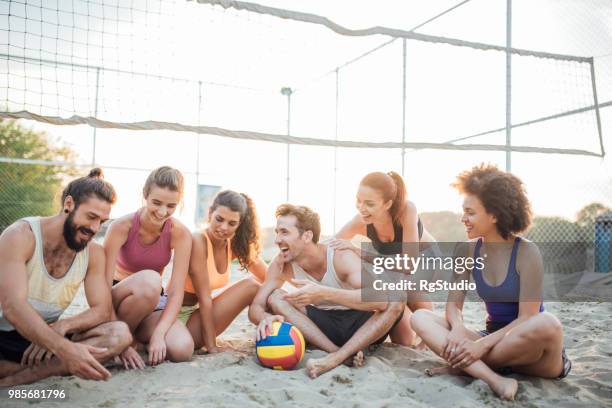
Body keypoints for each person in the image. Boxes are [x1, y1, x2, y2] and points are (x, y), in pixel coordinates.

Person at [411, 164, 572, 401]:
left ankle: (464, 366)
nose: (463, 218)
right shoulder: (465, 250)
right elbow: (454, 305)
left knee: (548, 322)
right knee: (420, 318)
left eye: (470, 212)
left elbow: (527, 317)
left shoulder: (527, 252)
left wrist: (481, 346)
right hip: (492, 338)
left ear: (494, 214)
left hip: (530, 347)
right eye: (463, 211)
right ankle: (495, 378)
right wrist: (457, 329)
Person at [0, 169, 131, 386]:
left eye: (102, 221)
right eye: (91, 217)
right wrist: (65, 350)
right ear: (69, 204)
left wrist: (62, 327)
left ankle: (22, 376)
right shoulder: (21, 236)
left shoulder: (94, 253)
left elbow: (102, 310)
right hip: (5, 333)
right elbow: (13, 306)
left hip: (43, 340)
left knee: (120, 334)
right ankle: (49, 368)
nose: (95, 228)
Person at [249, 204, 404, 379]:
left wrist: (323, 293)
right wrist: (265, 318)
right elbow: (255, 308)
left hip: (361, 326)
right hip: (324, 329)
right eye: (277, 232)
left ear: (307, 236)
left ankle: (337, 357)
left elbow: (380, 300)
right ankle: (336, 352)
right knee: (277, 298)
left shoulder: (340, 257)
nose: (277, 239)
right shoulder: (280, 265)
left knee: (396, 297)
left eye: (284, 232)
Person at [329, 171, 434, 346]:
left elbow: (409, 265)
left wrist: (360, 252)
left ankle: (427, 322)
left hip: (424, 258)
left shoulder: (407, 209)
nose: (361, 208)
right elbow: (330, 244)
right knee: (403, 342)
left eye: (369, 203)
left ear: (387, 204)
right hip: (394, 265)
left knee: (403, 285)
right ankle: (409, 324)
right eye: (358, 200)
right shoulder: (360, 220)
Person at [104, 166, 193, 369]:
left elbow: (176, 291)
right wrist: (120, 337)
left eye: (171, 206)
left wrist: (160, 334)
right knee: (151, 281)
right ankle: (121, 338)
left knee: (182, 348)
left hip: (152, 301)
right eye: (156, 203)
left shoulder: (181, 233)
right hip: (117, 300)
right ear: (145, 195)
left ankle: (138, 336)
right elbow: (101, 286)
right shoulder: (121, 226)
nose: (162, 212)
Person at [182, 190, 266, 353]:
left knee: (262, 288)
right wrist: (212, 346)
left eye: (232, 223)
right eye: (219, 219)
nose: (223, 228)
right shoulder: (198, 240)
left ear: (239, 224)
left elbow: (268, 277)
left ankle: (289, 329)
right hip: (179, 318)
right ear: (210, 213)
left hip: (198, 315)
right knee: (251, 286)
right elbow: (205, 299)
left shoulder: (233, 245)